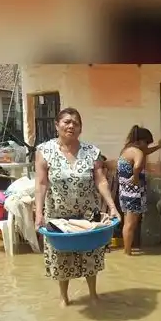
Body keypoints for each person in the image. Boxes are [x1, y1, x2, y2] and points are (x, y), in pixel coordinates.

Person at [34, 108, 121, 307]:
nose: (71, 125)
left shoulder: (92, 152)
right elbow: (41, 183)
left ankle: (93, 295)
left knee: (90, 254)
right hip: (58, 215)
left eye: (76, 122)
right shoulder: (44, 151)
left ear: (81, 128)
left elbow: (100, 182)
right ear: (57, 125)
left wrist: (112, 207)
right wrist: (39, 213)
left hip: (87, 214)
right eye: (66, 121)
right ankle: (64, 298)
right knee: (61, 256)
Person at [116, 124, 160, 255]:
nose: (147, 146)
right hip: (133, 192)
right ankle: (127, 252)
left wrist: (159, 146)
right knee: (131, 223)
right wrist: (135, 176)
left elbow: (147, 151)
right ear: (141, 141)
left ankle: (127, 251)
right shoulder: (138, 152)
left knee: (128, 222)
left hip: (124, 191)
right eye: (147, 143)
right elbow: (138, 164)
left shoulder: (127, 150)